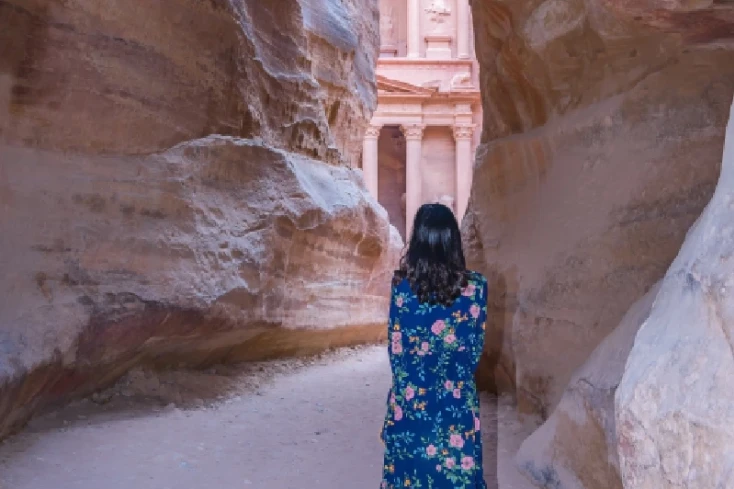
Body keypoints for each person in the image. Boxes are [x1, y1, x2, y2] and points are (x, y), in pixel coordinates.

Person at [379, 203, 488, 489]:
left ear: (418, 241)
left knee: (409, 476)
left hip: (411, 400)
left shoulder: (401, 287)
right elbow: (474, 353)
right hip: (457, 402)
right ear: (453, 241)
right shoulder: (477, 288)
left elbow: (397, 353)